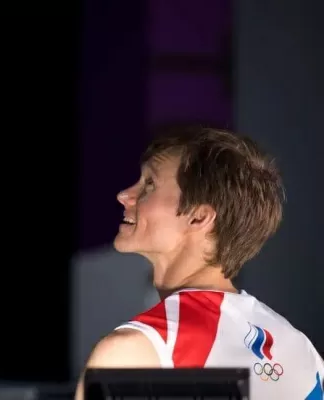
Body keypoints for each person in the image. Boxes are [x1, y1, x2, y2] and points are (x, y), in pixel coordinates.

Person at [75, 127, 324, 399]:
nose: (124, 195)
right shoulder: (301, 349)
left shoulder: (131, 352)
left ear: (199, 217)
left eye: (150, 184)